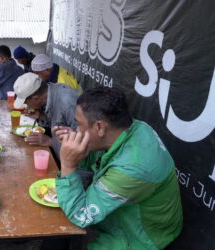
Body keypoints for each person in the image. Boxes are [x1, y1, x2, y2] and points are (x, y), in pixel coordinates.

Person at [53, 87, 183, 250]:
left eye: (79, 124)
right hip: (120, 219)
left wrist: (68, 164)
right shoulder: (131, 128)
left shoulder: (134, 167)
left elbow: (82, 215)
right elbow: (99, 162)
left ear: (100, 127)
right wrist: (78, 147)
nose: (77, 130)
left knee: (61, 229)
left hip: (139, 238)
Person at [13, 72, 79, 158]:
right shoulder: (50, 93)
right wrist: (42, 116)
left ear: (36, 98)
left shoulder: (67, 104)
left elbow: (81, 142)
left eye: (26, 102)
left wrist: (50, 141)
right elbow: (60, 123)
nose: (26, 106)